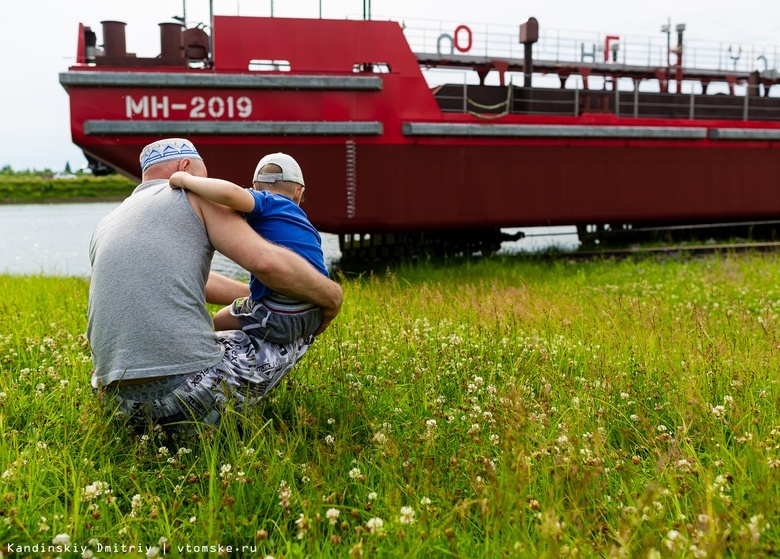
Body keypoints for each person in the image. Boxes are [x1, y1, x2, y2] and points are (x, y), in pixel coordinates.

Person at [87, 138, 342, 433]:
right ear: (185, 167)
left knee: (235, 323)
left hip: (115, 406)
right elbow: (269, 264)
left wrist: (258, 294)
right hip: (186, 398)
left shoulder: (110, 221)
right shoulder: (194, 195)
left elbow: (185, 279)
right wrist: (331, 297)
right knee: (299, 313)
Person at [169, 152, 327, 345]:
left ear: (254, 188)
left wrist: (186, 179)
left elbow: (230, 194)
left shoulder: (265, 201)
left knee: (219, 319)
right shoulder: (305, 224)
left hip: (277, 315)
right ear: (298, 192)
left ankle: (249, 357)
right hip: (314, 315)